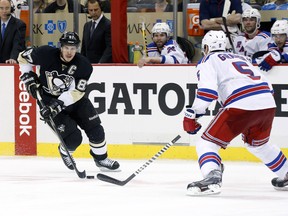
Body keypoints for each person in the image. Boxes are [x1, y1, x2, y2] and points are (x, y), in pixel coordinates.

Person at [183, 30, 288, 196]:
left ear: (206, 47)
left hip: (240, 104)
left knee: (206, 144)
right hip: (267, 102)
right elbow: (267, 86)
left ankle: (212, 177)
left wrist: (192, 114)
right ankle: (286, 173)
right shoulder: (242, 58)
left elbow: (207, 92)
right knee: (259, 144)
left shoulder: (208, 60)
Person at [18, 31, 120, 172]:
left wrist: (58, 104)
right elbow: (22, 57)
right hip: (48, 100)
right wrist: (27, 76)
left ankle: (101, 159)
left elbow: (77, 91)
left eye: (73, 48)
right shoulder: (45, 53)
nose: (69, 52)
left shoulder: (84, 65)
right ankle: (65, 151)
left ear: (77, 48)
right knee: (73, 139)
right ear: (61, 46)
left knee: (96, 130)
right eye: (66, 47)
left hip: (77, 101)